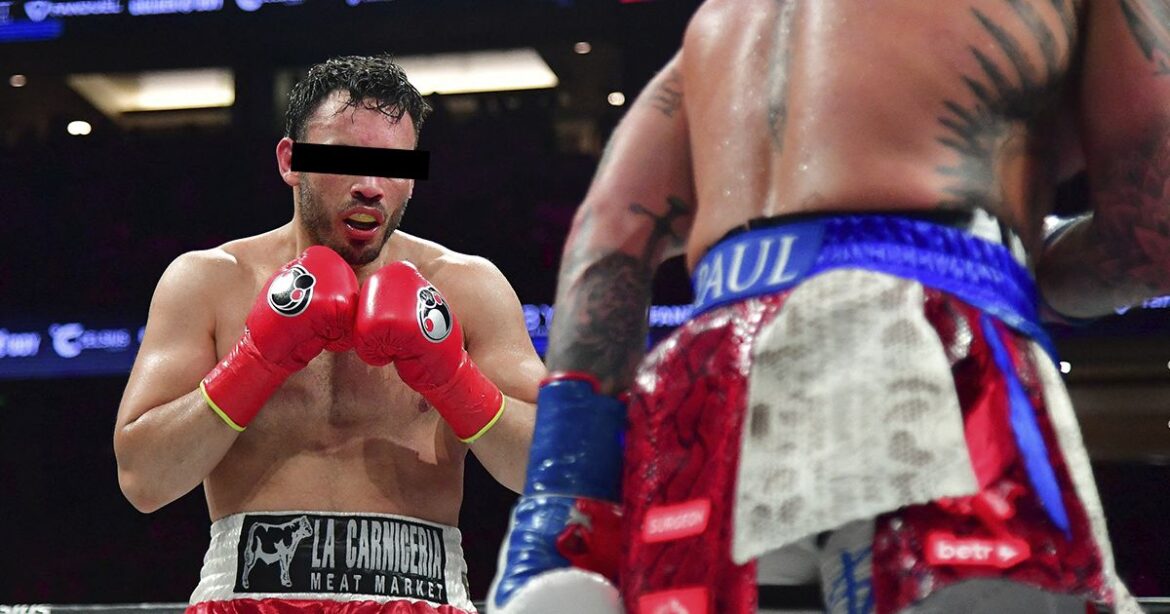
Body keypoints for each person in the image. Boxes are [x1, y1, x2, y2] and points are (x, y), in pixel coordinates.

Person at [489, 1, 1167, 613]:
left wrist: (561, 497)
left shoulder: (723, 21)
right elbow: (1150, 237)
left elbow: (610, 236)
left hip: (712, 384)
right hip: (920, 346)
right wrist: (1001, 268)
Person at [113, 55, 544, 614]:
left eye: (393, 166)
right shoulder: (210, 281)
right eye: (345, 161)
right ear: (291, 161)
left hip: (420, 595)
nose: (370, 186)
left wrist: (453, 379)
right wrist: (257, 361)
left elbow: (547, 469)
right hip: (247, 595)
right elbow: (143, 479)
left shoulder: (468, 288)